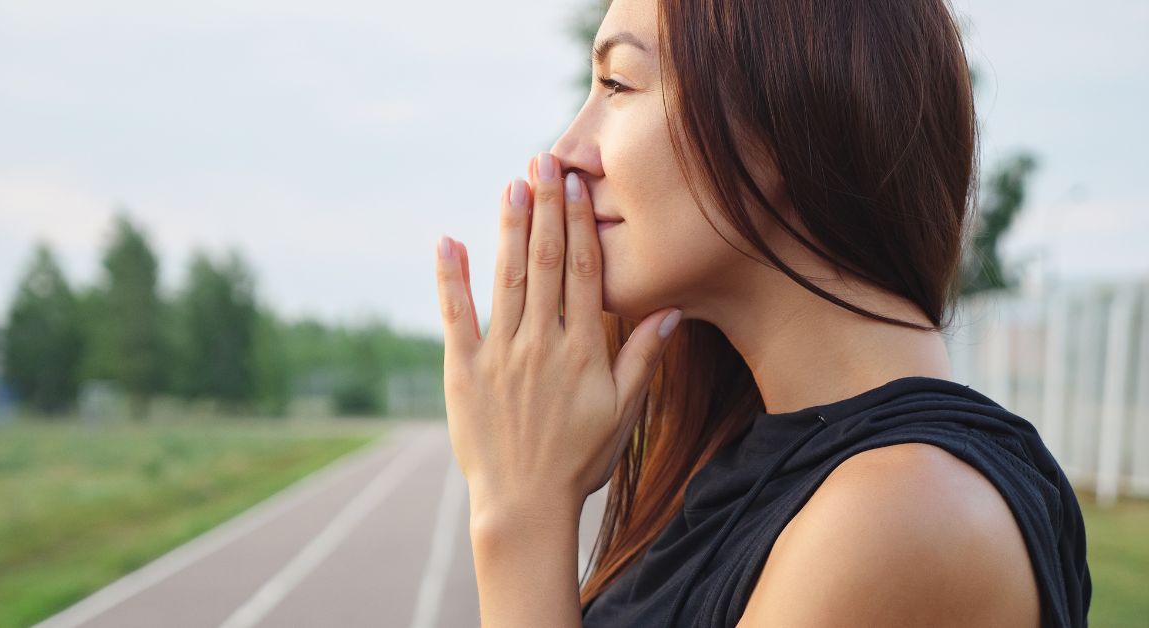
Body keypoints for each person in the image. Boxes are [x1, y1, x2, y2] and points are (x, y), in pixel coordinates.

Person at [432, 0, 1091, 626]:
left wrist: (517, 515)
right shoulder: (750, 458)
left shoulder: (903, 515)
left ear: (783, 114)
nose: (565, 154)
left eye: (617, 84)